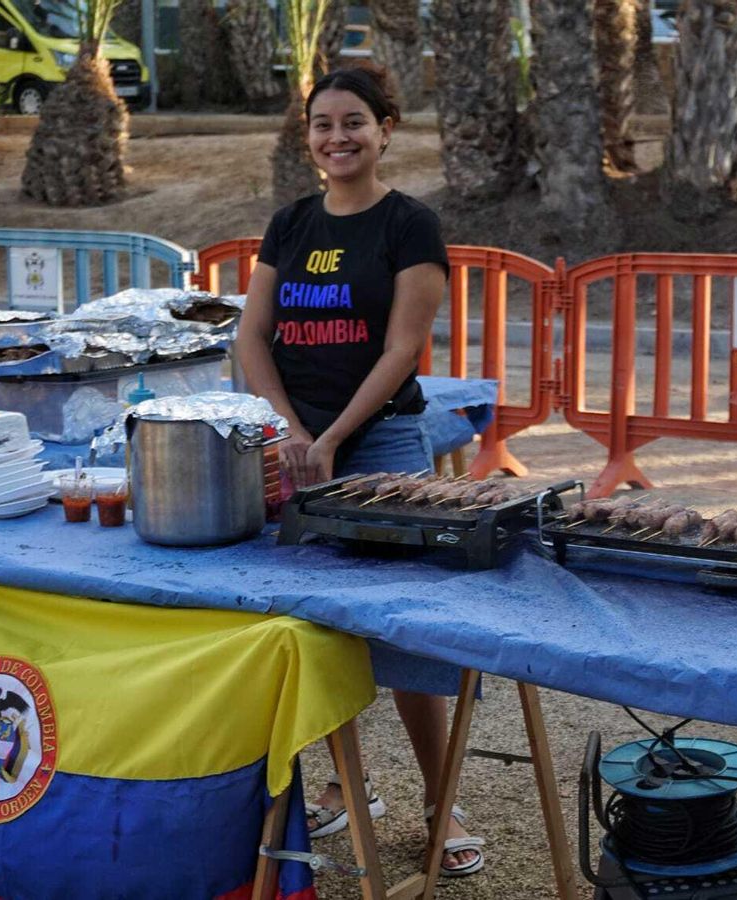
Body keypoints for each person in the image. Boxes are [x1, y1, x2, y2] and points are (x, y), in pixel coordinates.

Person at [234, 62, 484, 877]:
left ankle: (441, 802)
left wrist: (334, 437)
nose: (336, 138)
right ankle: (347, 786)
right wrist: (289, 429)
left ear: (385, 131)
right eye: (322, 124)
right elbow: (251, 337)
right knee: (308, 622)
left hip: (379, 445)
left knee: (407, 631)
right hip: (294, 443)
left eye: (353, 123)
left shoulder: (410, 225)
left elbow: (403, 348)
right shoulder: (290, 224)